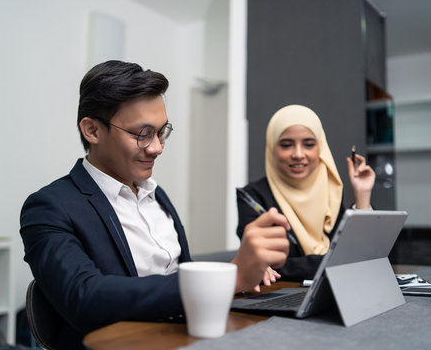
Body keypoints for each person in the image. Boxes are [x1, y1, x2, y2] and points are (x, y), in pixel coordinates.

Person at [20, 60, 290, 350]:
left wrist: (244, 270)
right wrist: (230, 278)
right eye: (142, 134)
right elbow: (86, 297)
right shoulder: (49, 207)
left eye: (162, 132)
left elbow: (175, 276)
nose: (157, 147)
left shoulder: (156, 194)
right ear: (92, 131)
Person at [236, 104, 375, 281]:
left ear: (321, 149)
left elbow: (360, 253)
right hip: (280, 298)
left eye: (309, 144)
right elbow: (259, 263)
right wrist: (339, 262)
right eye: (286, 145)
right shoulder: (252, 197)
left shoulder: (330, 193)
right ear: (272, 148)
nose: (298, 154)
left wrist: (362, 196)